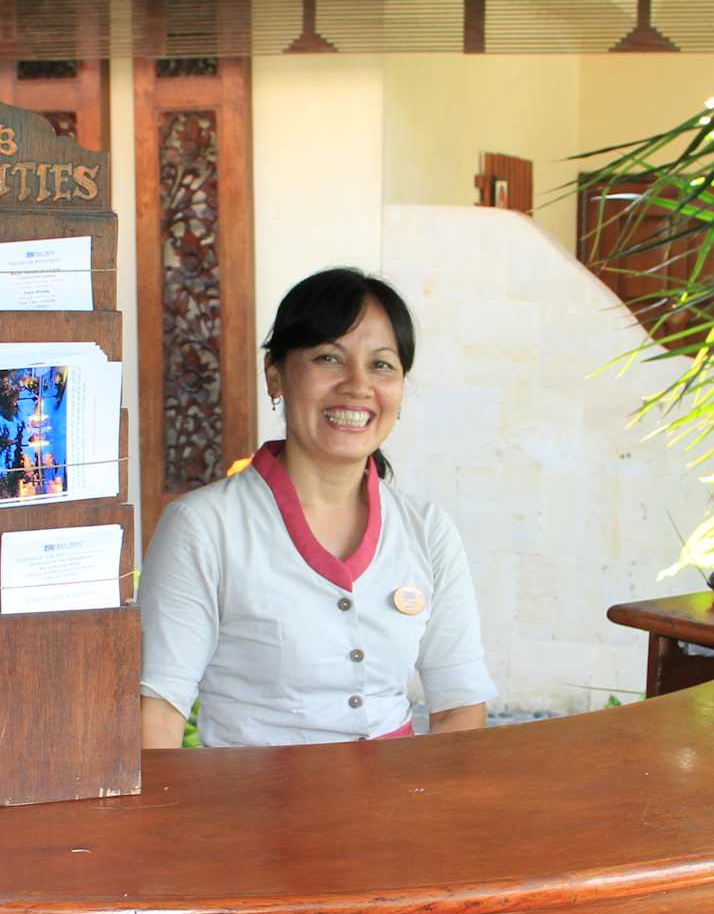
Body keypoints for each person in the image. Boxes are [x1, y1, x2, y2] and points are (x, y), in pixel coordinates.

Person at [138, 269, 495, 749]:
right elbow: (157, 715)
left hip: (399, 793)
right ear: (276, 375)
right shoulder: (204, 527)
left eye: (382, 365)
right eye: (329, 358)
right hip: (251, 794)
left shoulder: (426, 529)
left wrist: (421, 795)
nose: (358, 386)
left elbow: (459, 705)